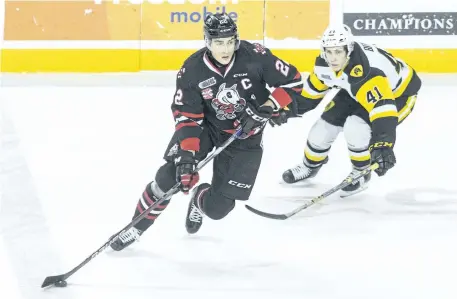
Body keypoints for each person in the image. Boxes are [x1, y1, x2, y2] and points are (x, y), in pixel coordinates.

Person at [110, 12, 305, 251]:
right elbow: (187, 116)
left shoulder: (255, 56)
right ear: (207, 41)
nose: (225, 49)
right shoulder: (192, 70)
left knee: (218, 209)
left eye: (230, 41)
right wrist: (187, 156)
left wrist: (269, 106)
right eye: (218, 42)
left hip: (246, 137)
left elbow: (293, 81)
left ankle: (199, 200)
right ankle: (135, 227)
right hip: (208, 128)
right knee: (170, 175)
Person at [278, 24, 421, 197]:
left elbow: (383, 110)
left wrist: (383, 145)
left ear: (349, 49)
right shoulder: (324, 64)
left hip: (398, 94)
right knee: (322, 129)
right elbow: (310, 94)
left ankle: (361, 172)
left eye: (338, 52)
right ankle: (310, 167)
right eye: (329, 51)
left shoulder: (367, 71)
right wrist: (285, 110)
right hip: (355, 90)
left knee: (356, 127)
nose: (333, 58)